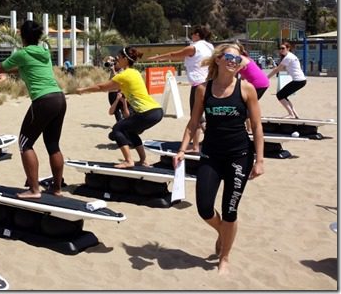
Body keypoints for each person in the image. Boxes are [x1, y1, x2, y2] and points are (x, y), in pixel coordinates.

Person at [173, 43, 264, 275]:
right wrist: (182, 149)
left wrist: (260, 160)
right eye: (229, 57)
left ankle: (224, 256)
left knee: (230, 210)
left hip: (239, 156)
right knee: (204, 208)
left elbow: (256, 125)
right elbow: (194, 122)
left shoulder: (246, 89)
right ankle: (223, 231)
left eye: (238, 58)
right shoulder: (204, 89)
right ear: (218, 60)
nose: (234, 61)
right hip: (211, 155)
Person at [0, 20, 67, 199]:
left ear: (22, 36)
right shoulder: (44, 52)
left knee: (25, 143)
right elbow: (23, 68)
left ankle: (34, 189)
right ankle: (57, 188)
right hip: (59, 98)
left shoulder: (22, 53)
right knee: (53, 144)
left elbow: (2, 67)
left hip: (43, 101)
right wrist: (10, 70)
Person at [77, 47, 164, 168]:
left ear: (125, 59)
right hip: (157, 111)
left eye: (118, 57)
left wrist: (83, 90)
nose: (116, 59)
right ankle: (143, 160)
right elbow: (114, 86)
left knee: (117, 129)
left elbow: (101, 87)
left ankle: (129, 160)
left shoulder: (124, 75)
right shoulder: (135, 72)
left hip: (147, 112)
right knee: (130, 131)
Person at [147, 25, 214, 153]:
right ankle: (196, 146)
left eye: (193, 34)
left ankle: (212, 141)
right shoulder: (209, 46)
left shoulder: (194, 47)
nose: (191, 36)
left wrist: (157, 58)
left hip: (198, 85)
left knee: (196, 117)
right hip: (210, 83)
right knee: (200, 117)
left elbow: (174, 55)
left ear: (197, 35)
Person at [266, 42, 307, 118]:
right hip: (301, 80)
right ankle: (295, 114)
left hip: (298, 81)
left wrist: (266, 78)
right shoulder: (291, 56)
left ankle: (291, 114)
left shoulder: (288, 57)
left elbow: (277, 70)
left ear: (288, 48)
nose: (281, 50)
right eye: (280, 48)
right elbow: (283, 68)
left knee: (280, 95)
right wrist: (277, 68)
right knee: (284, 96)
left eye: (283, 48)